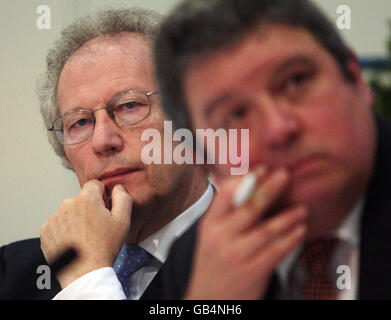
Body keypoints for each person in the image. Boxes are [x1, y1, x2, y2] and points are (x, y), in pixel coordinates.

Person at [149, 0, 391, 299]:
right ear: (204, 158)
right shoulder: (197, 264)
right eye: (236, 115)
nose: (279, 128)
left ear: (355, 78)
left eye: (296, 80)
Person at [0, 8, 212, 300]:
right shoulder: (13, 275)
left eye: (129, 106)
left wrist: (86, 279)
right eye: (80, 122)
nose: (102, 140)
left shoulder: (278, 266)